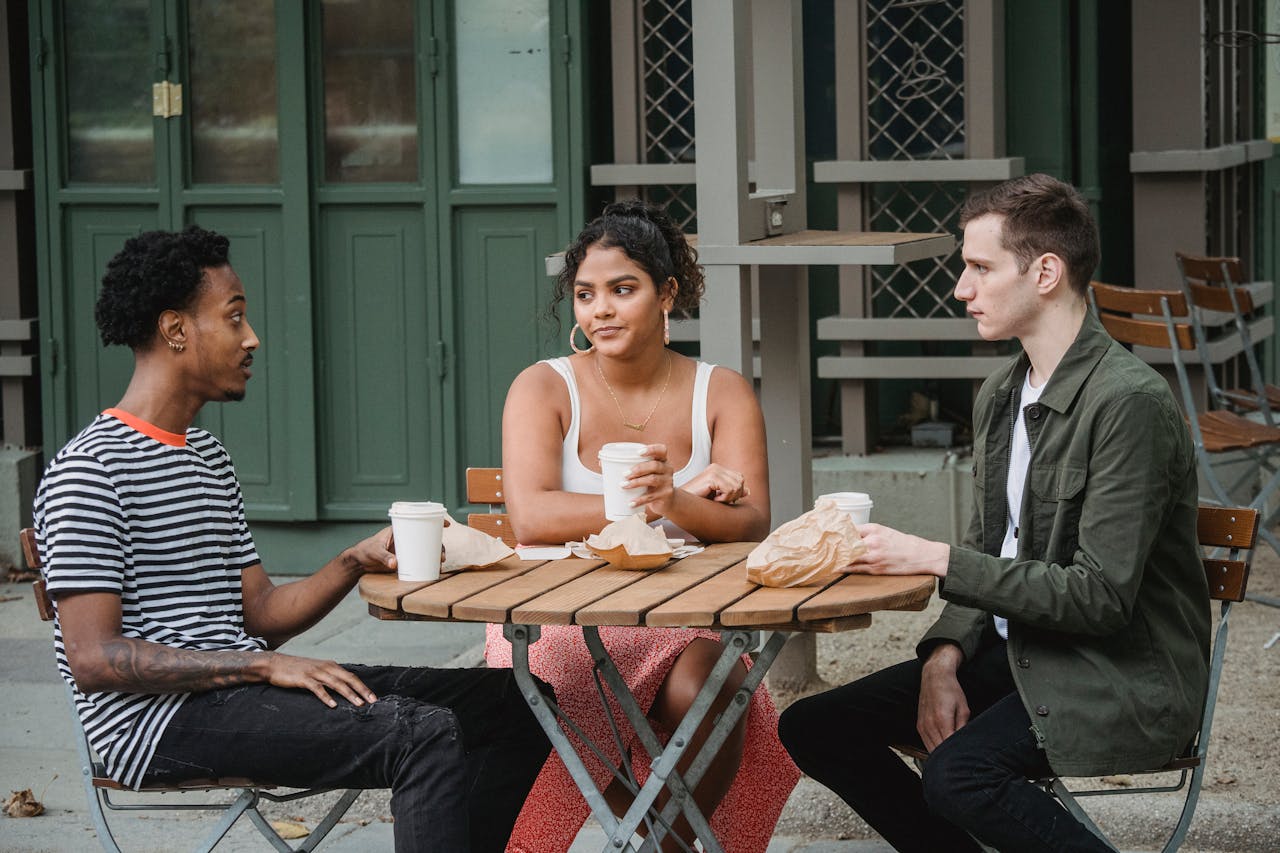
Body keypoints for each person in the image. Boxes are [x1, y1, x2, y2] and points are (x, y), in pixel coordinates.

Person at [34, 225, 552, 852]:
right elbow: (93, 660)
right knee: (423, 732)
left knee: (520, 701)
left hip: (240, 690)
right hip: (156, 724)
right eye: (235, 318)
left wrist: (353, 561)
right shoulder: (89, 471)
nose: (252, 338)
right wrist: (260, 663)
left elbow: (262, 614)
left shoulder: (205, 457)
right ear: (176, 330)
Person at [778, 174, 1208, 852]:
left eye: (979, 268)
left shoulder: (1129, 402)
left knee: (959, 774)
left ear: (1045, 272)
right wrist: (943, 656)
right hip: (1017, 653)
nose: (961, 289)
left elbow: (1099, 599)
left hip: (1115, 676)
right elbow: (994, 544)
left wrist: (934, 559)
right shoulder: (1000, 395)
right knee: (812, 725)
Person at [484, 199, 800, 852]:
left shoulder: (722, 391)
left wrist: (675, 502)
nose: (600, 309)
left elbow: (750, 521)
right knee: (562, 697)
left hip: (682, 620)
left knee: (722, 678)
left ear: (667, 293)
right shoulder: (542, 388)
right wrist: (655, 499)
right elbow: (533, 515)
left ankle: (666, 844)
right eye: (585, 294)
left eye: (622, 289)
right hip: (559, 623)